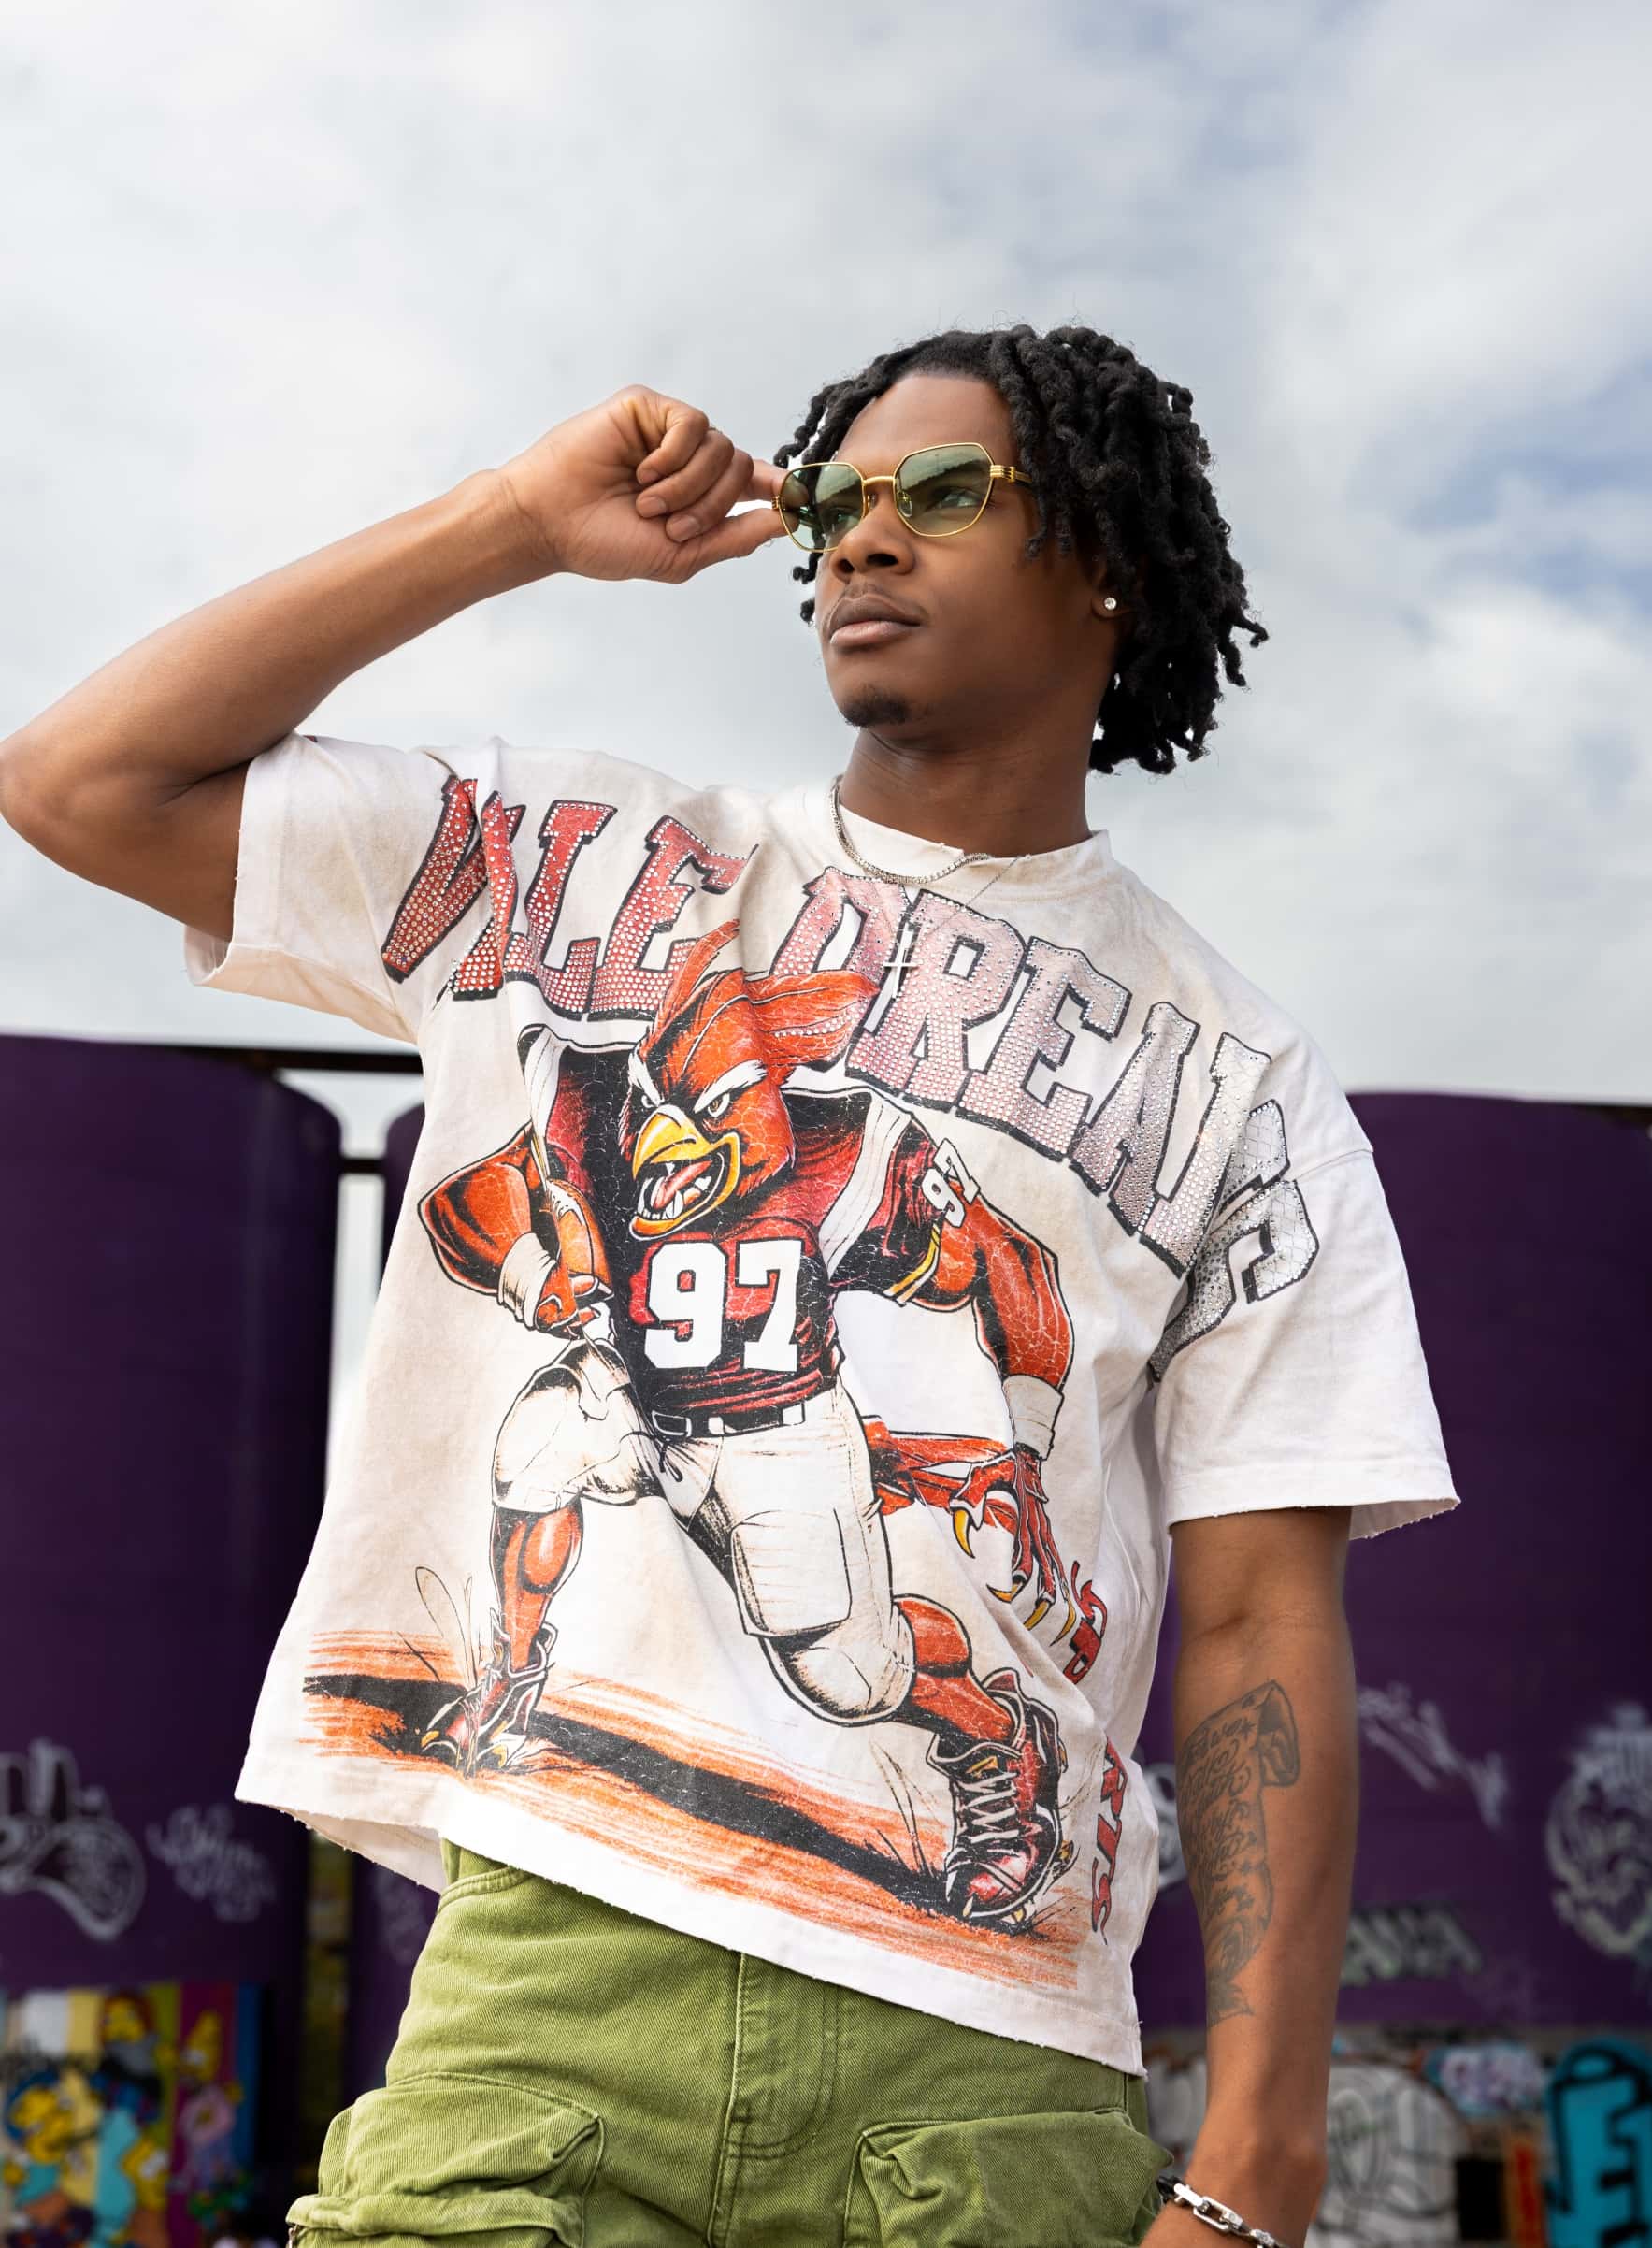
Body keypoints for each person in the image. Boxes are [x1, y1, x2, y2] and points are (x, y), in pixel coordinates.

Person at [0, 321, 1459, 2248]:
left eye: (941, 493)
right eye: (839, 501)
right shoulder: (595, 864)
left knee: (851, 1654)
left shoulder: (1233, 1081)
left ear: (1101, 554)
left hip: (975, 2056)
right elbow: (82, 776)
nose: (863, 538)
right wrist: (510, 518)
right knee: (544, 1435)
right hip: (550, 1984)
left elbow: (1261, 1622)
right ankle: (522, 1666)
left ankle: (971, 1760)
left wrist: (1258, 2156)